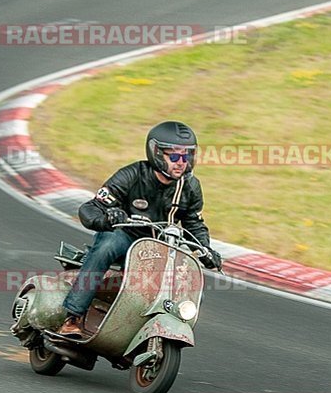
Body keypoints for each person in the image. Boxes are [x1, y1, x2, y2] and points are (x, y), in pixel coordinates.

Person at [57, 120, 223, 338]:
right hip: (126, 237)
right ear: (156, 153)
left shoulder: (190, 186)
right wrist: (108, 219)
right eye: (174, 156)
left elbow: (194, 222)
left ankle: (154, 327)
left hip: (162, 247)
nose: (181, 162)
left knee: (189, 280)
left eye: (186, 156)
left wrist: (205, 249)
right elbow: (90, 208)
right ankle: (73, 317)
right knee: (107, 245)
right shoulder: (132, 175)